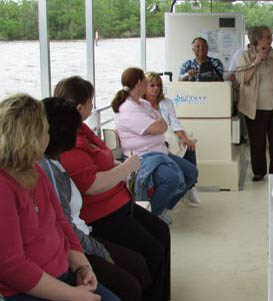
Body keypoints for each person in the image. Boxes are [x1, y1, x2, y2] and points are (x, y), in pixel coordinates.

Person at [54, 76, 171, 301]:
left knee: (161, 232)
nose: (92, 106)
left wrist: (117, 167)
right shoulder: (69, 143)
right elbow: (91, 185)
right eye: (91, 103)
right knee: (152, 251)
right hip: (103, 214)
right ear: (80, 107)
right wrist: (127, 167)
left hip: (119, 202)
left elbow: (102, 159)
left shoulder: (84, 131)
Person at [0, 93, 118, 301]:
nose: (48, 137)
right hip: (29, 291)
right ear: (31, 138)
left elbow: (61, 223)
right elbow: (12, 266)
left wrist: (82, 266)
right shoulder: (4, 187)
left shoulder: (36, 171)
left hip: (65, 274)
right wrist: (72, 295)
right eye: (45, 131)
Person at [40, 97, 152, 301]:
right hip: (86, 235)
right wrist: (96, 253)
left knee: (141, 262)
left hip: (85, 235)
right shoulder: (49, 172)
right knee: (131, 283)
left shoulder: (56, 165)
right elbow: (65, 225)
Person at [112, 68, 198, 222]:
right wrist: (159, 125)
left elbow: (162, 124)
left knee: (191, 173)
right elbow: (159, 127)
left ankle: (161, 207)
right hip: (143, 156)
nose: (154, 87)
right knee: (172, 179)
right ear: (140, 83)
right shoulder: (128, 108)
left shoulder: (143, 104)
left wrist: (159, 125)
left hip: (160, 151)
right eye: (147, 83)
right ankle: (150, 218)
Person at [235, 25, 273, 182]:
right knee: (257, 143)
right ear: (257, 39)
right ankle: (259, 172)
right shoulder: (245, 56)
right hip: (253, 108)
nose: (271, 39)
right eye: (267, 36)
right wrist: (257, 61)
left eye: (270, 36)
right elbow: (243, 79)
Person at [144, 71, 201, 207]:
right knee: (180, 149)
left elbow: (175, 123)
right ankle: (185, 188)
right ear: (144, 87)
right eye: (152, 85)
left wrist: (185, 138)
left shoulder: (167, 103)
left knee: (189, 144)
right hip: (156, 139)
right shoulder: (141, 106)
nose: (156, 88)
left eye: (158, 85)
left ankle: (189, 187)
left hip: (169, 132)